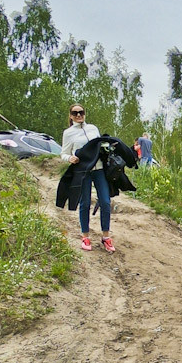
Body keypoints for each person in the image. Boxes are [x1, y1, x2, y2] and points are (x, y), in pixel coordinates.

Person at [60, 104, 115, 253]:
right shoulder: (68, 133)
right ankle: (85, 236)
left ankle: (106, 237)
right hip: (83, 171)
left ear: (84, 113)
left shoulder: (93, 128)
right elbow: (63, 153)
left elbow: (99, 146)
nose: (79, 115)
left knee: (105, 201)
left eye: (81, 112)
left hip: (99, 170)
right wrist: (70, 158)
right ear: (71, 116)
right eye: (75, 113)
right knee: (85, 203)